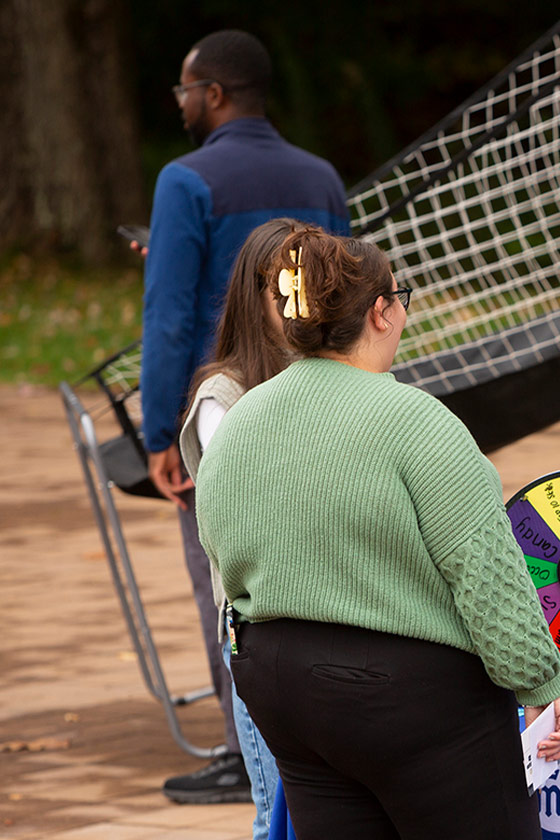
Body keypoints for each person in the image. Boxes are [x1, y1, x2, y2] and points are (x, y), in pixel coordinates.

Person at [194, 229, 560, 838]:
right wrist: (537, 682)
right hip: (406, 696)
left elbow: (221, 556)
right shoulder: (415, 421)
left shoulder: (239, 423)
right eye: (401, 295)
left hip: (278, 684)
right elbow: (485, 572)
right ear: (381, 311)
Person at [139, 29, 348, 802]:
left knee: (223, 578)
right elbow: (342, 295)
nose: (182, 104)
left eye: (185, 91)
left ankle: (243, 749)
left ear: (215, 94)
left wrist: (162, 431)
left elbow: (167, 316)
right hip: (325, 401)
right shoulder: (320, 176)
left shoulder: (185, 180)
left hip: (228, 403)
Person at [177, 219, 315, 839]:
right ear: (253, 295)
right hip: (263, 636)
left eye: (314, 285)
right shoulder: (223, 396)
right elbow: (259, 516)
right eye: (283, 285)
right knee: (276, 812)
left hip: (333, 632)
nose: (298, 301)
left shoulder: (333, 377)